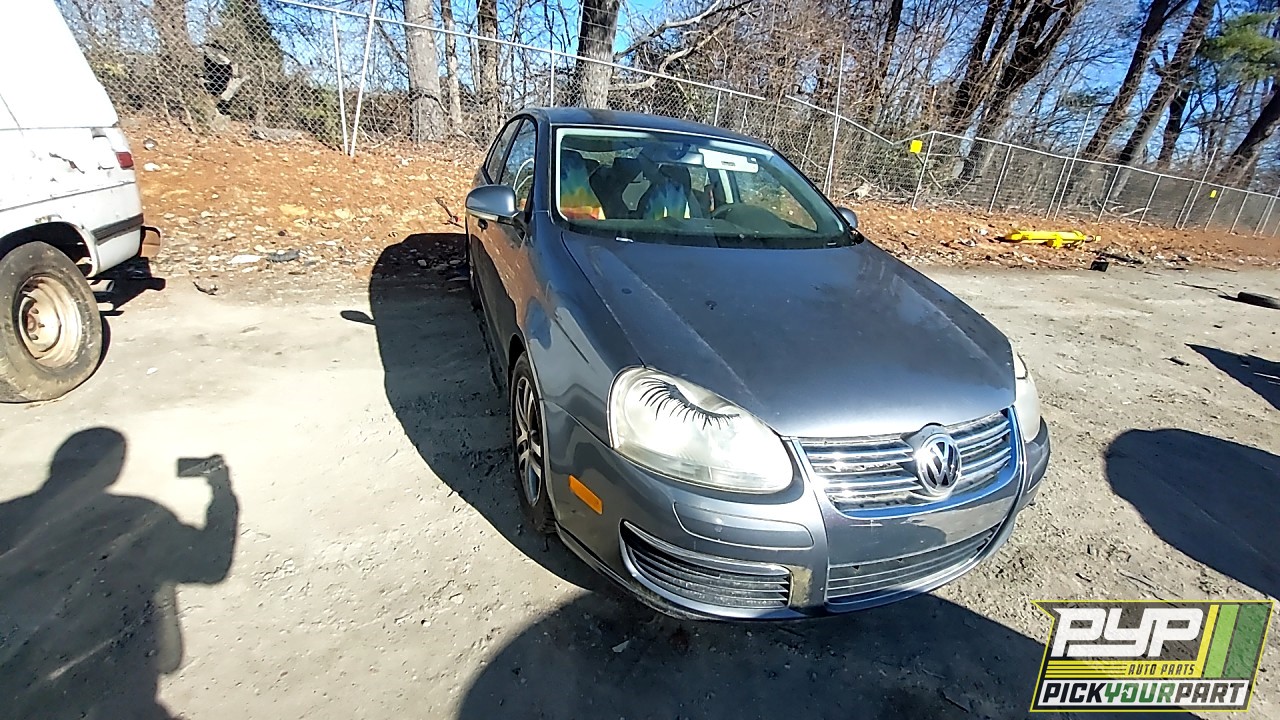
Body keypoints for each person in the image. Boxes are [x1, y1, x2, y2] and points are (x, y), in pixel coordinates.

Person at [0, 428, 238, 720]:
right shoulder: (139, 515)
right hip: (120, 700)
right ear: (113, 472)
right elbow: (212, 566)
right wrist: (221, 489)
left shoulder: (7, 518)